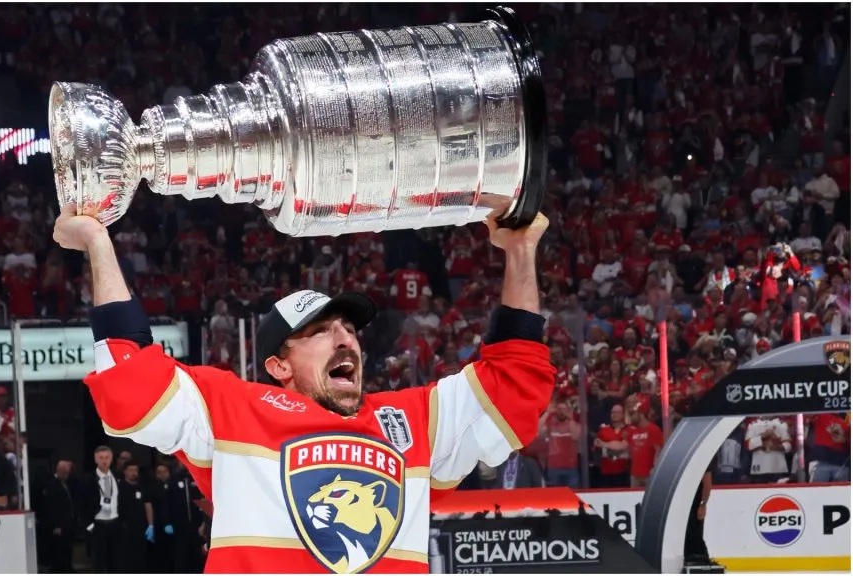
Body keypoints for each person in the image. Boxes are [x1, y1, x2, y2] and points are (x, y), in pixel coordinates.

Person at [53, 205, 555, 573]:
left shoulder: (411, 421)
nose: (345, 340)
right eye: (320, 331)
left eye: (350, 330)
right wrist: (99, 244)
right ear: (278, 366)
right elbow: (131, 382)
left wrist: (520, 251)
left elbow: (512, 388)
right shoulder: (233, 409)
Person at [79, 446, 124, 573]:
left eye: (107, 457)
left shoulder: (118, 476)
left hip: (115, 524)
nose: (104, 461)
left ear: (111, 459)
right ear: (95, 459)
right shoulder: (87, 479)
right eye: (101, 458)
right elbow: (80, 504)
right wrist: (89, 525)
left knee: (116, 562)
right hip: (98, 525)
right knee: (98, 562)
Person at [40, 460, 76, 573]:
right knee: (59, 551)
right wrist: (56, 525)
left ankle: (68, 568)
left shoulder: (66, 484)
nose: (67, 476)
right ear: (59, 471)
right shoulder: (52, 485)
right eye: (65, 473)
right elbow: (51, 508)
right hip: (59, 525)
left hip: (68, 523)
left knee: (67, 548)